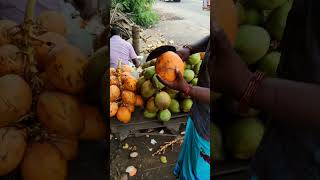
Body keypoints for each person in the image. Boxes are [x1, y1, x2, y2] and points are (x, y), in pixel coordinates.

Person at [158, 37, 211, 179]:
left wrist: (188, 89)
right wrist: (190, 49)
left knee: (199, 169)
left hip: (209, 127)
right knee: (190, 150)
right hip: (198, 111)